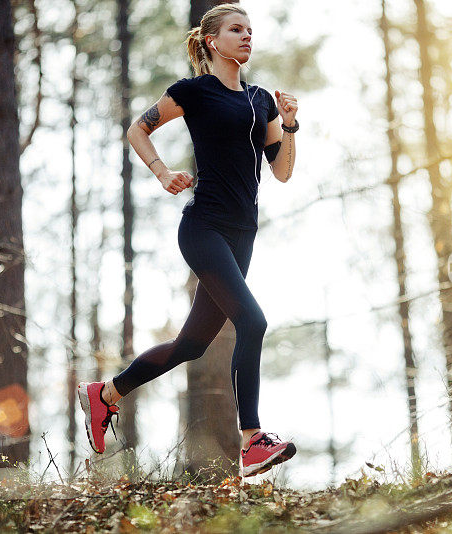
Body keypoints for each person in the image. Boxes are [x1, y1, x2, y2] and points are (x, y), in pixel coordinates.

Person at [78, 3, 299, 478]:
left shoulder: (261, 100)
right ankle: (252, 439)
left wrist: (290, 124)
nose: (246, 37)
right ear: (211, 40)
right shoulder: (192, 93)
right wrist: (161, 172)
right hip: (204, 228)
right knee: (253, 321)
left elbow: (281, 171)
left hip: (244, 235)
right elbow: (138, 128)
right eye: (236, 30)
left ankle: (106, 394)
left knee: (191, 344)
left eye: (249, 30)